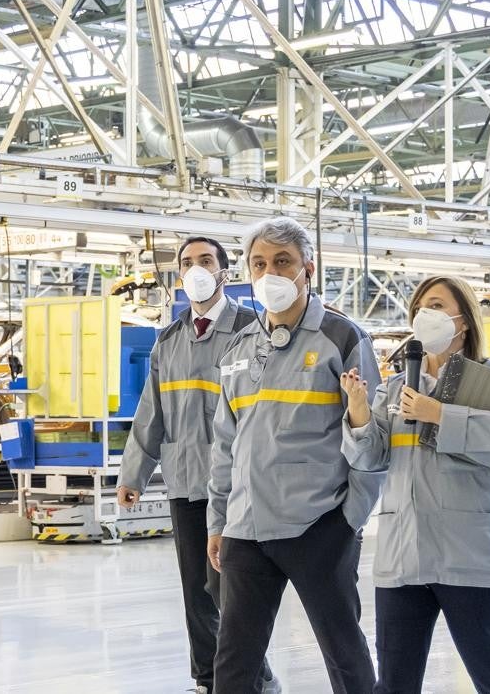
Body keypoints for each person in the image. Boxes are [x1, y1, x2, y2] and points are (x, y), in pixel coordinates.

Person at [206, 216, 383, 694]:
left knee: (343, 651)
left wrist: (349, 519)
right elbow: (226, 444)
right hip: (246, 528)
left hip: (318, 526)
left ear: (309, 266)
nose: (270, 274)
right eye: (259, 264)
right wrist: (218, 520)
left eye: (282, 262)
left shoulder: (343, 339)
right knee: (234, 660)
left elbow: (374, 438)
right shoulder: (240, 346)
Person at [340, 276, 490, 694]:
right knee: (393, 683)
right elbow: (370, 458)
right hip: (403, 556)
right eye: (422, 306)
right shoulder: (395, 387)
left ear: (464, 320)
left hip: (470, 555)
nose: (427, 314)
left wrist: (440, 414)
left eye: (439, 305)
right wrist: (358, 413)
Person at [117, 236, 279, 694]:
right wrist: (134, 473)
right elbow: (152, 411)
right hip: (185, 482)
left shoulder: (255, 329)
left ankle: (252, 679)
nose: (195, 269)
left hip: (238, 486)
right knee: (197, 593)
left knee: (229, 591)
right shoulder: (168, 341)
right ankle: (209, 680)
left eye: (205, 261)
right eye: (187, 263)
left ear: (225, 271)